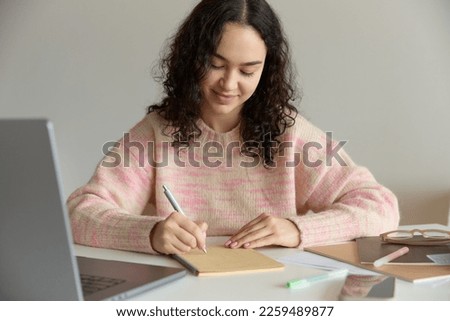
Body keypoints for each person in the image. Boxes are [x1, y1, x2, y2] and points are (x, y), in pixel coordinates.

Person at [67, 0, 399, 255]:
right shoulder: (157, 132)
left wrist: (297, 230)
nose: (229, 84)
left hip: (274, 293)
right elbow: (80, 215)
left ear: (266, 71)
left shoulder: (290, 133)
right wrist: (151, 233)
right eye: (216, 65)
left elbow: (380, 207)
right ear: (191, 59)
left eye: (248, 70)